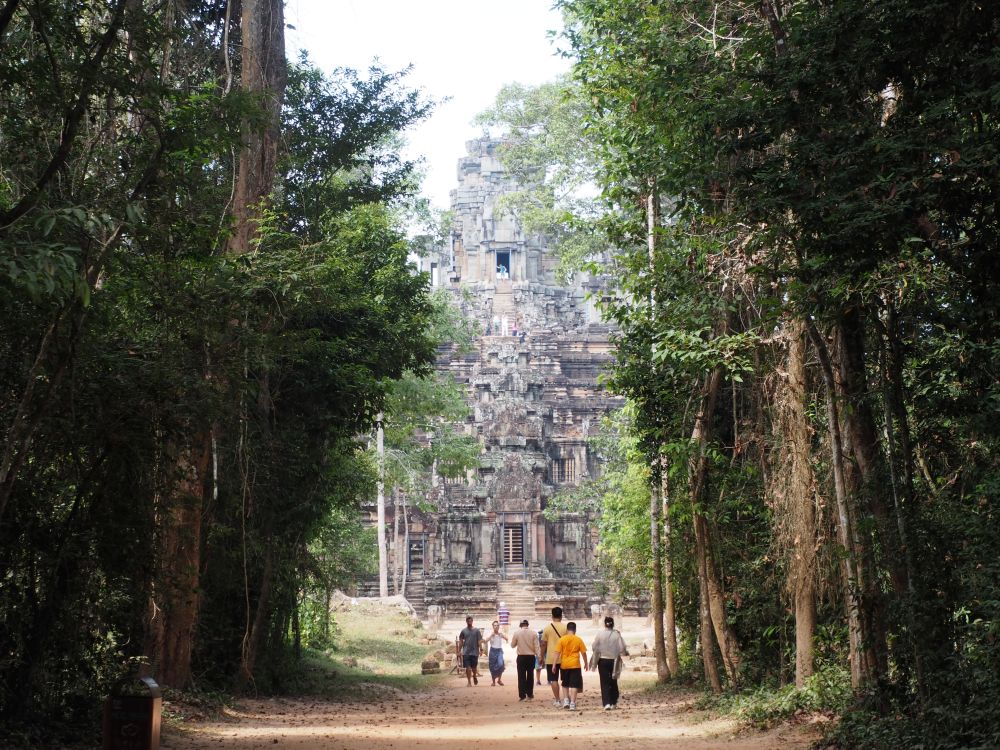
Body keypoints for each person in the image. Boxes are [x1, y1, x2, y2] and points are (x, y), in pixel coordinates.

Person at [591, 615, 629, 709]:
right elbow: (622, 648)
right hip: (614, 661)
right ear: (613, 624)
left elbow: (594, 647)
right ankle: (614, 701)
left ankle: (606, 703)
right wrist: (624, 653)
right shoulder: (617, 634)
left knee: (604, 682)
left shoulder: (600, 634)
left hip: (602, 660)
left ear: (605, 624)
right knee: (613, 680)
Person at [554, 621, 588, 710]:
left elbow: (557, 653)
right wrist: (586, 663)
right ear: (575, 630)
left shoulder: (562, 639)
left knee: (565, 683)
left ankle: (566, 701)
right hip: (575, 664)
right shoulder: (578, 639)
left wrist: (554, 665)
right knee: (574, 684)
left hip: (564, 665)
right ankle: (572, 703)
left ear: (567, 629)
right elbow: (584, 653)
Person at [541, 606, 568, 706]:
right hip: (564, 657)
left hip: (551, 658)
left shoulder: (547, 628)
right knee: (565, 679)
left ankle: (557, 700)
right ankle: (566, 699)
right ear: (561, 616)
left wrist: (540, 656)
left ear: (552, 616)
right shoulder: (566, 627)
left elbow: (543, 644)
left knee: (553, 679)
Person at [510, 619, 541, 701]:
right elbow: (537, 646)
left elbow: (512, 645)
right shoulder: (534, 633)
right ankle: (530, 694)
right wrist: (539, 656)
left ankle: (522, 696)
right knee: (530, 675)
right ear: (528, 624)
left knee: (521, 676)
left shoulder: (517, 633)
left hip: (521, 657)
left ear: (520, 625)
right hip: (531, 657)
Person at [458, 615, 484, 687]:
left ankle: (474, 676)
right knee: (468, 668)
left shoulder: (477, 631)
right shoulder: (463, 631)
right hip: (466, 652)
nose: (469, 622)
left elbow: (479, 641)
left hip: (474, 652)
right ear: (466, 622)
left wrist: (481, 649)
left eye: (470, 620)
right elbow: (461, 641)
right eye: (468, 621)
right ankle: (469, 682)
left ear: (472, 621)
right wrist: (459, 651)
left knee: (474, 668)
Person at [485, 620, 508, 686]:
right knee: (492, 666)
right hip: (492, 651)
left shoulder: (500, 634)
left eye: (497, 625)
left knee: (501, 664)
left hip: (499, 651)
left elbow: (507, 638)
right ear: (493, 626)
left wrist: (505, 638)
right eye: (495, 625)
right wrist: (491, 636)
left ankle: (499, 679)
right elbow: (486, 641)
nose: (496, 627)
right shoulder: (490, 633)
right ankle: (494, 681)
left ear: (499, 627)